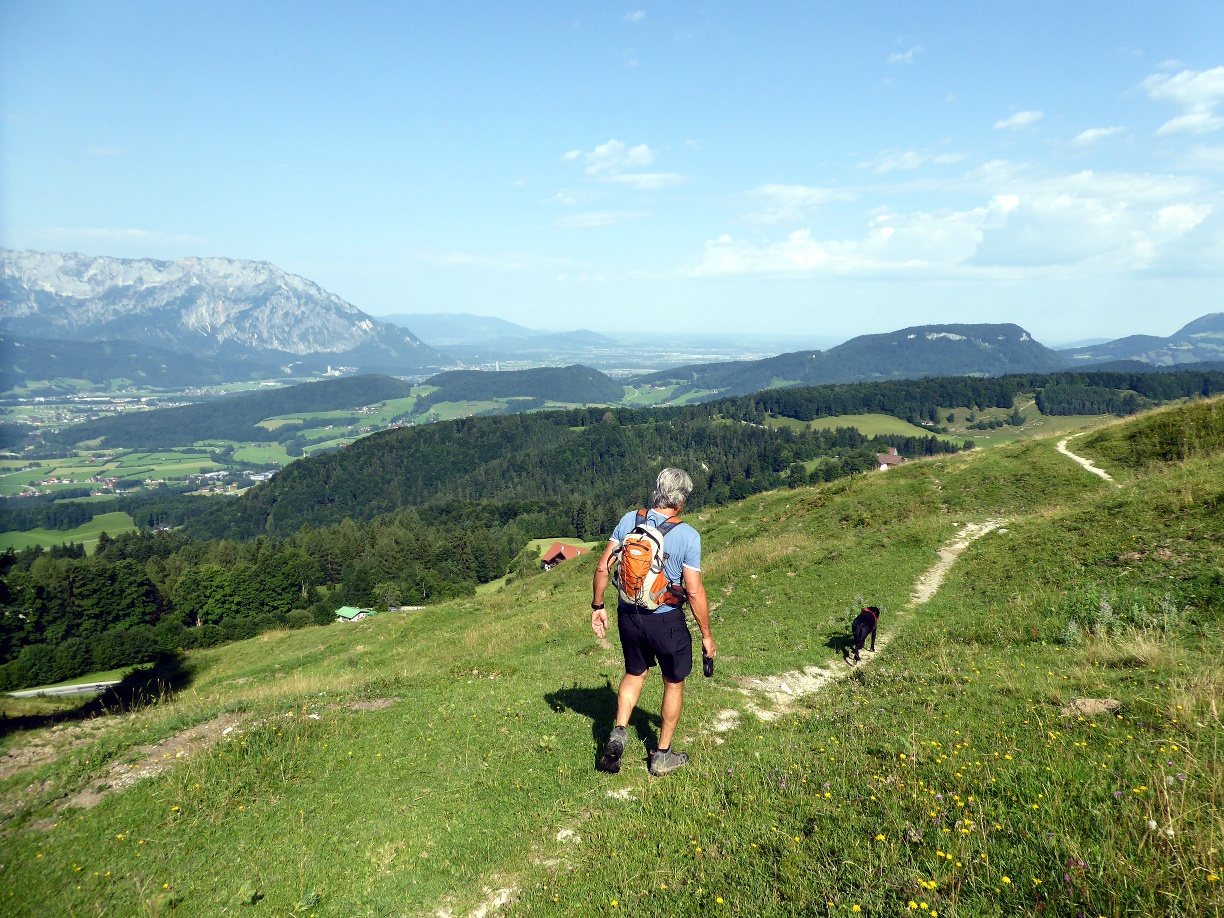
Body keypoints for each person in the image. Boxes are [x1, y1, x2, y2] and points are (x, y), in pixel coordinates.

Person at [590, 467, 716, 776]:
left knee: (634, 674)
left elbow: (603, 567)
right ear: (681, 499)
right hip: (666, 621)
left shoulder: (630, 520)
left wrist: (597, 606)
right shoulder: (688, 535)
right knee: (673, 682)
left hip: (628, 615)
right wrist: (707, 635)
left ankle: (619, 731)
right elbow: (695, 591)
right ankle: (662, 756)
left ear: (657, 491)